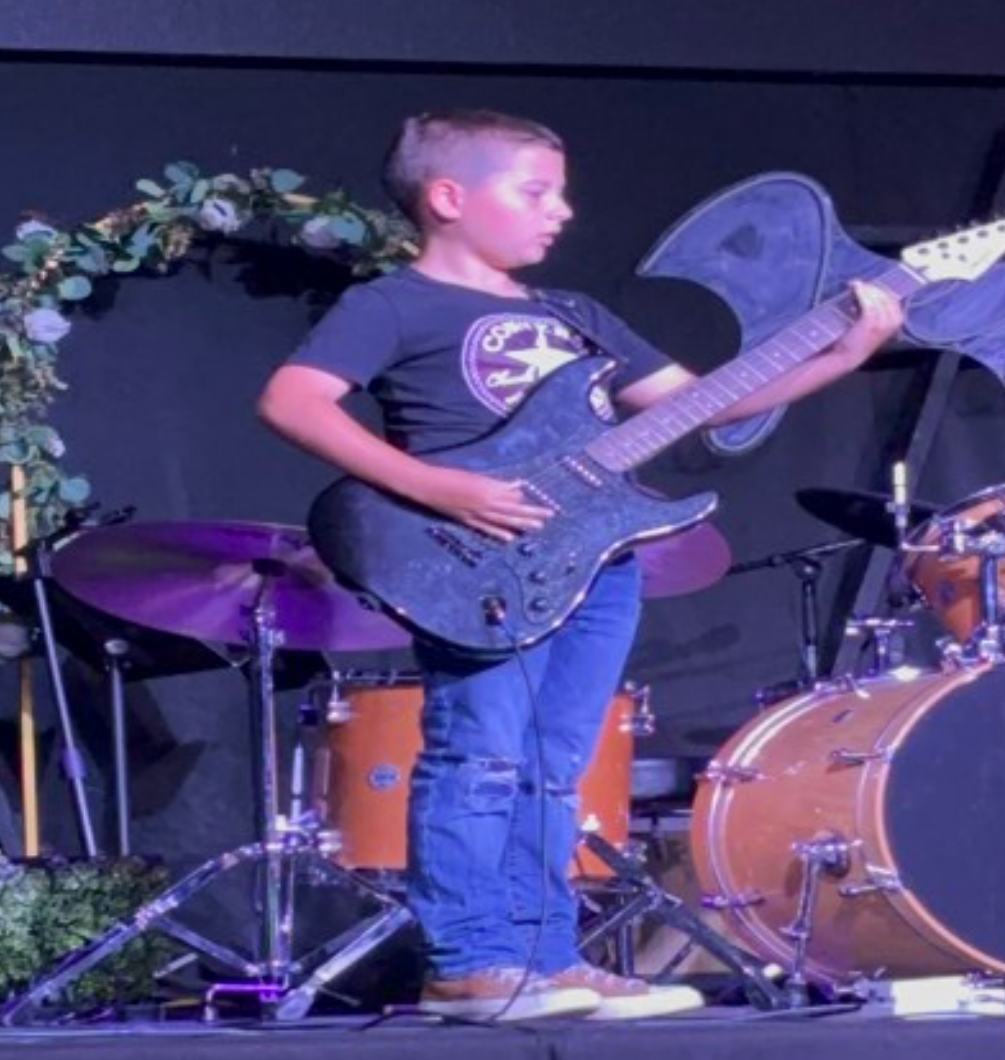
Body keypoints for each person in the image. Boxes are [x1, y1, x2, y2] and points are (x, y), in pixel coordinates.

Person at [258, 109, 904, 1021]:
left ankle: (546, 959)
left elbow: (709, 407)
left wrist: (847, 349)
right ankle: (468, 962)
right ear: (448, 198)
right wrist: (437, 487)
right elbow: (293, 402)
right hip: (475, 558)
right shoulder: (393, 304)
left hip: (593, 563)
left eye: (559, 191)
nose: (560, 210)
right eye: (535, 191)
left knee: (555, 768)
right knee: (477, 756)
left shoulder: (575, 315)